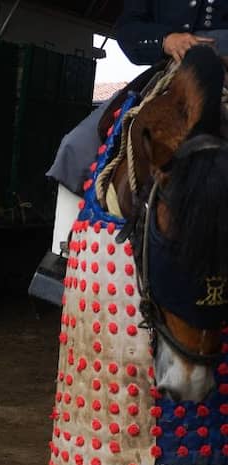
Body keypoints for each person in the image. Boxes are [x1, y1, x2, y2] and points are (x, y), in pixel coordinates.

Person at [36, 1, 225, 300]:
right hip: (174, 67)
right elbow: (130, 26)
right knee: (76, 145)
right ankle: (64, 257)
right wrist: (165, 40)